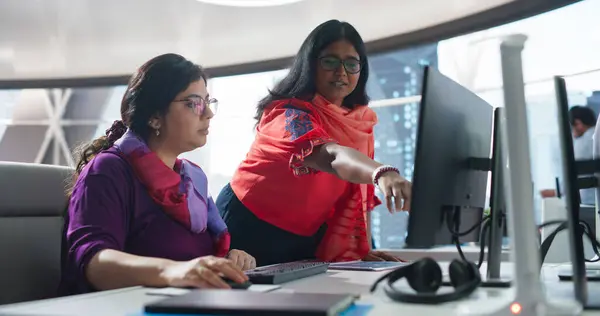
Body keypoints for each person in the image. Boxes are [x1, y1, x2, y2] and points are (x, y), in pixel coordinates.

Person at [216, 20, 412, 267]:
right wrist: (382, 173)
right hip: (250, 224)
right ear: (310, 65)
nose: (341, 72)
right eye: (330, 61)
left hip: (307, 235)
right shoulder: (287, 115)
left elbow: (356, 196)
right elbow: (332, 156)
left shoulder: (360, 121)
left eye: (351, 63)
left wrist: (359, 251)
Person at [59, 54, 255, 296]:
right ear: (154, 116)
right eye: (194, 103)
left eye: (208, 101)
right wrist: (172, 272)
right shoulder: (108, 170)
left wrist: (229, 259)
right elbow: (93, 262)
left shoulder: (192, 180)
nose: (208, 114)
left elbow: (192, 259)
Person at [541, 105, 596, 205]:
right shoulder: (595, 136)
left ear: (578, 123)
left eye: (571, 127)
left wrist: (556, 192)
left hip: (589, 202)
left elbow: (575, 174)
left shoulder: (584, 142)